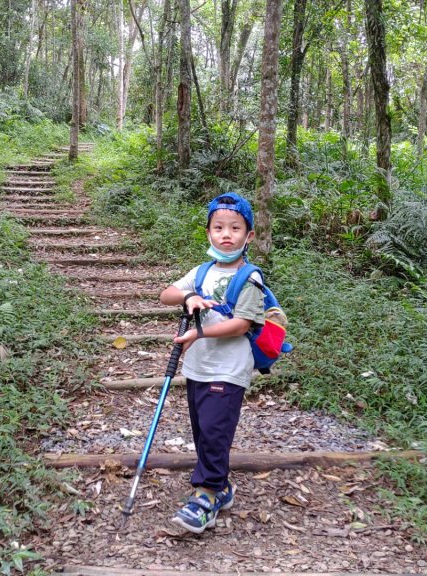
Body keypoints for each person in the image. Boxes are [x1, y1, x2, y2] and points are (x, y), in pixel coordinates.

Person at [158, 192, 265, 534]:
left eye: (235, 228)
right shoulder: (202, 271)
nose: (226, 234)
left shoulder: (249, 277)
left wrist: (199, 336)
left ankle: (206, 495)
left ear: (249, 236)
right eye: (218, 227)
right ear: (208, 233)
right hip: (198, 367)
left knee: (216, 431)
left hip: (230, 368)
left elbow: (243, 323)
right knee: (204, 430)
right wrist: (189, 295)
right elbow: (166, 294)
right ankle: (222, 487)